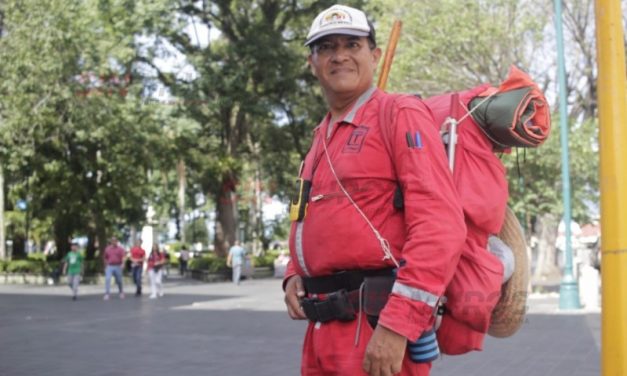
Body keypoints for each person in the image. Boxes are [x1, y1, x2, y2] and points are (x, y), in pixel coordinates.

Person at [282, 5, 466, 376]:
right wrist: (293, 274)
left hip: (374, 328)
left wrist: (398, 325)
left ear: (374, 54)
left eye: (353, 44)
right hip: (320, 333)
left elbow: (440, 226)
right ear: (312, 62)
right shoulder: (320, 138)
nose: (340, 55)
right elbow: (306, 218)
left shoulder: (399, 114)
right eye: (327, 47)